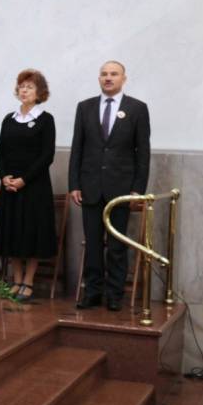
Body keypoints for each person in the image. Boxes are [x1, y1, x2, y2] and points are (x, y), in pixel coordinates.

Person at [69, 61, 151, 312]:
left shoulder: (137, 108)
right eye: (104, 74)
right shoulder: (85, 107)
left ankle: (115, 294)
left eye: (114, 74)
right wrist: (74, 184)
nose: (108, 78)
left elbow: (143, 153)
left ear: (123, 79)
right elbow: (77, 148)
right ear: (99, 79)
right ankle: (92, 292)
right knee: (93, 244)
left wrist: (138, 189)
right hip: (90, 187)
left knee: (116, 246)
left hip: (121, 189)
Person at [0, 69, 57, 302]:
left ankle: (28, 282)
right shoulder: (9, 119)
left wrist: (24, 180)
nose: (24, 90)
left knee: (31, 233)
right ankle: (16, 280)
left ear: (40, 92)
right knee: (13, 233)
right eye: (21, 86)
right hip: (9, 187)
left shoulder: (45, 119)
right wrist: (4, 177)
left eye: (29, 87)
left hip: (34, 187)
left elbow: (47, 155)